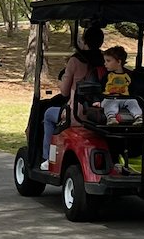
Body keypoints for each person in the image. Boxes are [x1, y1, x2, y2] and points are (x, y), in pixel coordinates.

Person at [40, 25, 105, 170]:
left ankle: (47, 157)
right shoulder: (106, 60)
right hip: (101, 111)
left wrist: (60, 81)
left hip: (78, 113)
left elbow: (64, 92)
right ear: (101, 41)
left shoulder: (75, 60)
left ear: (85, 40)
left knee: (48, 113)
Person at [96, 45, 143, 124]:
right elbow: (100, 89)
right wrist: (97, 100)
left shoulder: (128, 75)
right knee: (109, 103)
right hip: (110, 97)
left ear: (119, 62)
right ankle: (111, 118)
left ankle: (138, 117)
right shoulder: (107, 76)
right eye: (105, 61)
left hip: (125, 98)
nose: (105, 64)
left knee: (133, 101)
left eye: (108, 61)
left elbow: (133, 89)